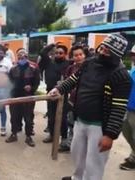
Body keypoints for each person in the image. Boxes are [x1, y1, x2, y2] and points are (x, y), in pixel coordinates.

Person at [48, 34, 131, 180]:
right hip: (80, 120)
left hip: (99, 127)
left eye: (108, 50)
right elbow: (74, 78)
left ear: (117, 54)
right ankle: (77, 177)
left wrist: (110, 135)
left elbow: (119, 108)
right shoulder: (89, 63)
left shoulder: (121, 76)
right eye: (103, 47)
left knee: (94, 163)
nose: (102, 51)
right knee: (77, 154)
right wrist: (59, 89)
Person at [5, 48, 40, 147]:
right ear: (17, 57)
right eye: (19, 55)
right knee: (14, 117)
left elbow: (37, 82)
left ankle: (28, 136)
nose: (21, 57)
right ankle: (14, 134)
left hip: (28, 96)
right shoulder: (13, 68)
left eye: (23, 55)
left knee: (28, 117)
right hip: (15, 96)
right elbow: (9, 83)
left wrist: (31, 88)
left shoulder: (34, 67)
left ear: (27, 56)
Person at [38, 42, 71, 144]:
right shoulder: (49, 62)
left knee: (63, 118)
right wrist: (52, 45)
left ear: (65, 54)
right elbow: (43, 53)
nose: (58, 55)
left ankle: (64, 139)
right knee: (51, 116)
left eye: (61, 53)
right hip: (50, 93)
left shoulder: (69, 64)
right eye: (56, 53)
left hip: (63, 94)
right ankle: (52, 135)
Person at [59, 45, 87, 153]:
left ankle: (82, 147)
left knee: (83, 126)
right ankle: (70, 144)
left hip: (85, 104)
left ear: (84, 55)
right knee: (71, 123)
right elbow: (67, 83)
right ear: (72, 57)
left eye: (80, 54)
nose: (79, 57)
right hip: (72, 102)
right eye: (76, 55)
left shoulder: (90, 68)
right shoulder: (70, 69)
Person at [119, 44, 135, 171]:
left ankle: (133, 158)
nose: (133, 57)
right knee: (126, 131)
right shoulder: (133, 69)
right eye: (132, 55)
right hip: (128, 107)